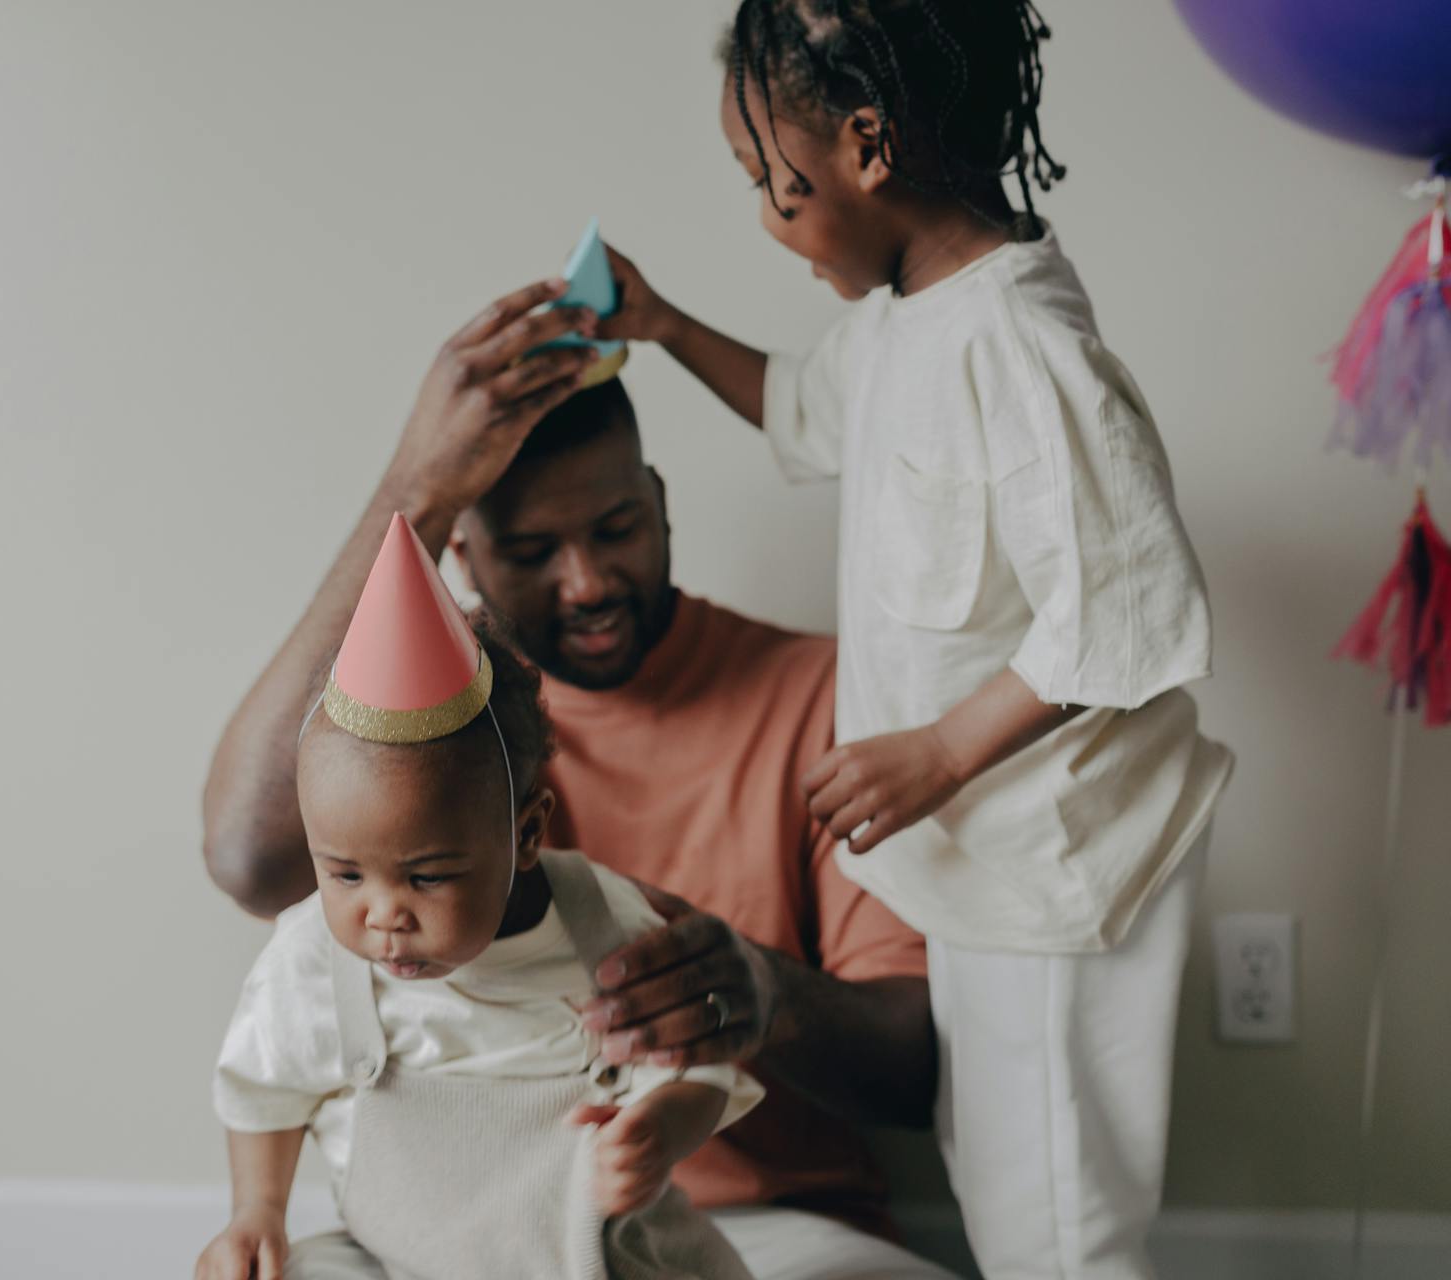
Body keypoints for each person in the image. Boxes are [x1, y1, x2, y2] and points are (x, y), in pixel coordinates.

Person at [586, 4, 1235, 1276]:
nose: (766, 219)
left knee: (1058, 1221)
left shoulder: (1021, 344)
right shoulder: (899, 320)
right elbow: (797, 407)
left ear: (868, 145)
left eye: (771, 184)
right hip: (982, 875)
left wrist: (941, 747)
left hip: (1055, 876)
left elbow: (1125, 606)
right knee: (1001, 1175)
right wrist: (659, 324)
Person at [205, 284, 950, 1279]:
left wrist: (764, 993)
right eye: (531, 549)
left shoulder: (822, 694)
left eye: (615, 528)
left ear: (661, 503)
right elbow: (251, 859)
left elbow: (918, 1067)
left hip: (757, 1228)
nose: (589, 579)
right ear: (462, 555)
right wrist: (410, 495)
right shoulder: (436, 757)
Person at [197, 516, 761, 1280]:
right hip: (400, 1260)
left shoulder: (605, 932)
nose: (383, 914)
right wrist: (257, 1211)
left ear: (527, 834)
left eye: (427, 876)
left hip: (588, 1256)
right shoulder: (314, 960)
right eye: (345, 874)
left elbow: (696, 1066)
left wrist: (658, 1130)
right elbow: (268, 1085)